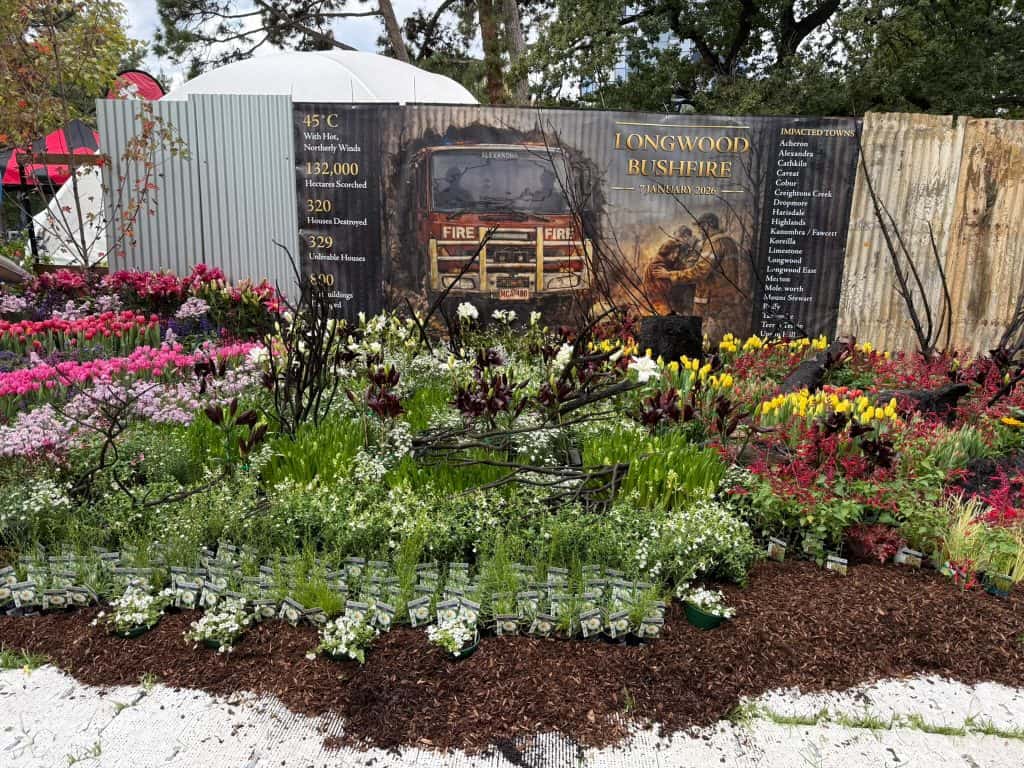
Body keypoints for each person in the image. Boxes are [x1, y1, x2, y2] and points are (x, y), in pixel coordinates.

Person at [692, 212, 753, 340]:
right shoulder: (729, 242)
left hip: (713, 298)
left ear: (708, 225)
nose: (699, 232)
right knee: (725, 334)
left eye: (701, 227)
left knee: (707, 337)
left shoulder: (714, 243)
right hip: (728, 298)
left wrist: (673, 276)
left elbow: (701, 271)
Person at [643, 225, 715, 315]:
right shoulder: (681, 248)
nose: (676, 242)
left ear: (685, 237)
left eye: (677, 239)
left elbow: (692, 270)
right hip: (681, 294)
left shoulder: (701, 247)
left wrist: (669, 274)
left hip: (695, 291)